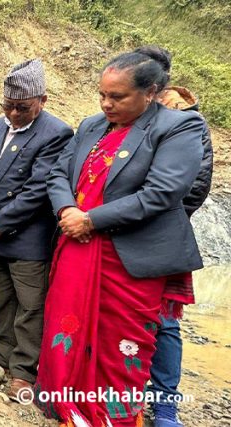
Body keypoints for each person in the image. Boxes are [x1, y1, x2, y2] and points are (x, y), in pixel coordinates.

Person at [35, 52, 205, 426]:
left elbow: (162, 193)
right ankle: (69, 406)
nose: (107, 104)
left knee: (122, 345)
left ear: (150, 93)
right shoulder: (91, 126)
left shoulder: (178, 128)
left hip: (130, 259)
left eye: (118, 97)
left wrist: (90, 219)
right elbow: (58, 175)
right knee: (67, 326)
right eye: (102, 95)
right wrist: (67, 212)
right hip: (76, 248)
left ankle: (115, 417)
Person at [0, 59, 73, 399]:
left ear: (43, 100)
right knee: (3, 298)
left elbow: (40, 189)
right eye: (7, 106)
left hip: (29, 238)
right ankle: (1, 352)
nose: (12, 114)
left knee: (31, 306)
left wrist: (1, 221)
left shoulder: (57, 133)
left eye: (21, 108)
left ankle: (24, 370)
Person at [133, 45, 213, 427]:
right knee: (118, 315)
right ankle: (119, 392)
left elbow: (194, 188)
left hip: (161, 237)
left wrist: (152, 221)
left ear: (157, 83)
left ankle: (165, 404)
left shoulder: (186, 123)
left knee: (164, 323)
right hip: (117, 233)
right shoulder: (126, 116)